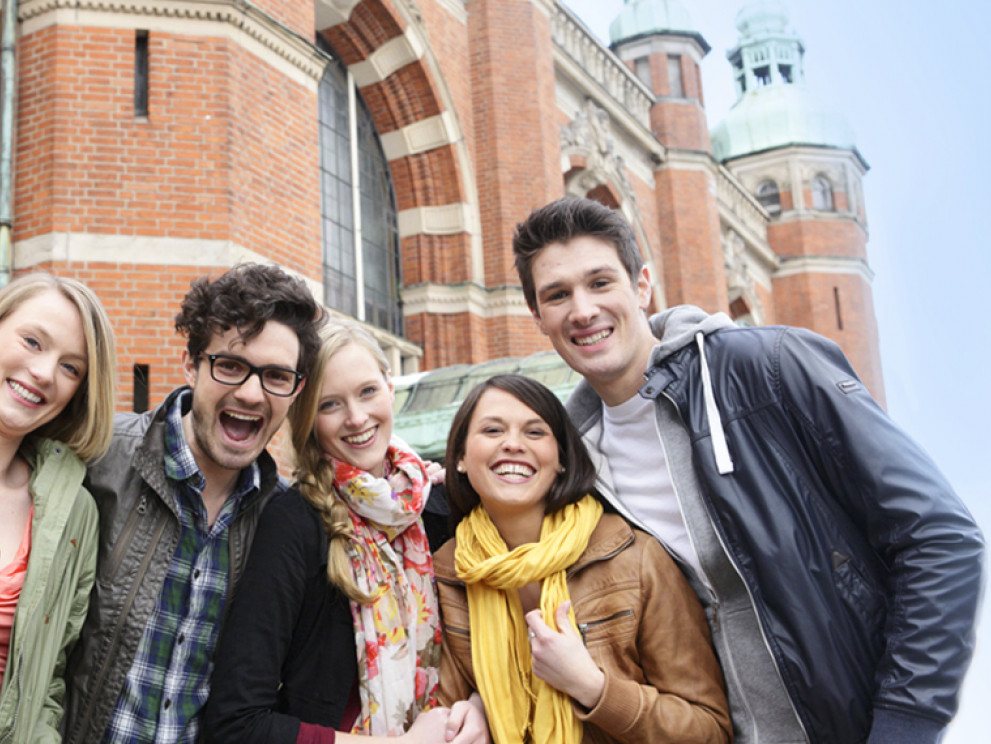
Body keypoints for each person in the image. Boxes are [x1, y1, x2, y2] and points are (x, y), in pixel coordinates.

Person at [510, 196, 985, 744]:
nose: (583, 310)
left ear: (641, 286)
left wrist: (906, 725)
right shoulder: (574, 464)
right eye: (558, 295)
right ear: (539, 317)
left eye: (600, 282)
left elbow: (940, 536)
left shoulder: (771, 366)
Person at [63, 263, 323, 744]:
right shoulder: (98, 459)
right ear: (190, 363)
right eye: (230, 365)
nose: (250, 393)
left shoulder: (284, 522)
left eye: (276, 376)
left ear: (297, 388)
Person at [204, 318, 487, 744]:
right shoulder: (295, 522)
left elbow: (495, 650)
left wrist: (481, 706)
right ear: (308, 419)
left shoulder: (440, 509)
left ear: (390, 387)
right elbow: (237, 722)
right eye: (330, 404)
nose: (356, 418)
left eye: (367, 392)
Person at [435, 373, 732, 744]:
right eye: (493, 431)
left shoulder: (634, 557)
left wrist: (593, 688)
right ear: (461, 458)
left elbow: (709, 730)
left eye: (535, 432)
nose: (512, 444)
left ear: (561, 458)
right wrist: (473, 709)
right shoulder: (447, 573)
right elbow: (443, 710)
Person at [0, 273, 116, 743]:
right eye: (32, 341)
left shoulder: (73, 513)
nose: (46, 373)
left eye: (71, 368)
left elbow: (47, 684)